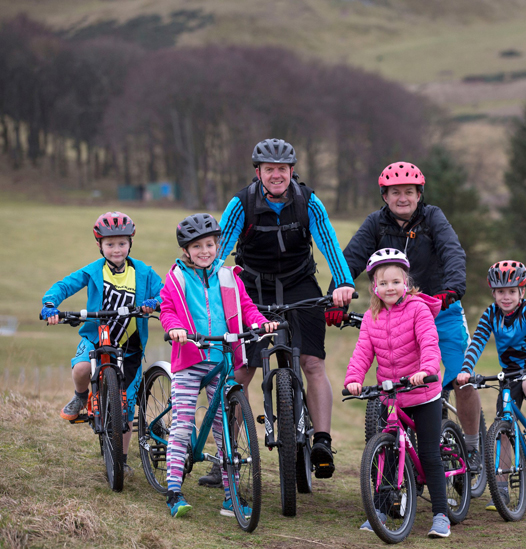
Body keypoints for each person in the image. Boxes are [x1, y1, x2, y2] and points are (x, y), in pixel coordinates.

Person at [211, 138, 354, 486]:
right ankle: (226, 455)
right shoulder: (241, 203)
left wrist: (342, 283)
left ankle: (322, 442)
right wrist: (206, 287)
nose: (276, 175)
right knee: (242, 370)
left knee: (313, 363)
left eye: (282, 169)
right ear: (258, 172)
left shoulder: (308, 201)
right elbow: (219, 250)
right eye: (269, 170)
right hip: (252, 289)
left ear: (292, 171)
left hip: (299, 284)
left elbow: (329, 243)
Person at [329, 161, 482, 468]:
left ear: (419, 194)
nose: (402, 198)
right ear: (384, 196)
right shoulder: (375, 223)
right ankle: (401, 455)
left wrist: (451, 288)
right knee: (398, 384)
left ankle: (472, 445)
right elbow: (350, 259)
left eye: (409, 192)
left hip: (442, 308)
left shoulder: (433, 218)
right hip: (396, 316)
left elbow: (452, 251)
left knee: (462, 379)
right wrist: (337, 296)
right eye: (395, 192)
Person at [159, 213, 279, 518]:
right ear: (185, 250)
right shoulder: (177, 278)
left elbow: (247, 307)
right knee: (182, 425)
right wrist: (175, 328)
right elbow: (168, 309)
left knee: (225, 430)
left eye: (210, 245)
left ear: (218, 246)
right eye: (197, 246)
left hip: (222, 358)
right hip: (190, 358)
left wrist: (260, 323)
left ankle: (231, 496)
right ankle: (174, 491)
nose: (204, 251)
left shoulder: (229, 277)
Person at [41, 211, 163, 477]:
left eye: (122, 243)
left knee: (126, 407)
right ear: (99, 245)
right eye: (110, 244)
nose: (116, 249)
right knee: (82, 368)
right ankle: (80, 397)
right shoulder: (94, 270)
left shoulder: (143, 272)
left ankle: (121, 459)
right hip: (96, 337)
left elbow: (164, 292)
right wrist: (50, 304)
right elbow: (65, 285)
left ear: (130, 243)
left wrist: (154, 302)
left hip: (129, 346)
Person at [344, 248, 451, 539]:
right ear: (374, 287)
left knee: (429, 454)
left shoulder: (418, 309)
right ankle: (379, 511)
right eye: (383, 283)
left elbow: (429, 342)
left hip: (423, 391)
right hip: (392, 394)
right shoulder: (371, 317)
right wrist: (354, 379)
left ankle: (441, 514)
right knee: (387, 455)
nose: (389, 288)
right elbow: (362, 352)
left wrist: (426, 369)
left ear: (406, 282)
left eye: (395, 281)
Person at [455, 260, 526, 510]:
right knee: (503, 428)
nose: (506, 297)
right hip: (510, 376)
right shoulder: (490, 314)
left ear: (522, 292)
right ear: (493, 293)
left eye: (512, 291)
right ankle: (500, 489)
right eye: (501, 291)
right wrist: (466, 370)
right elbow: (477, 342)